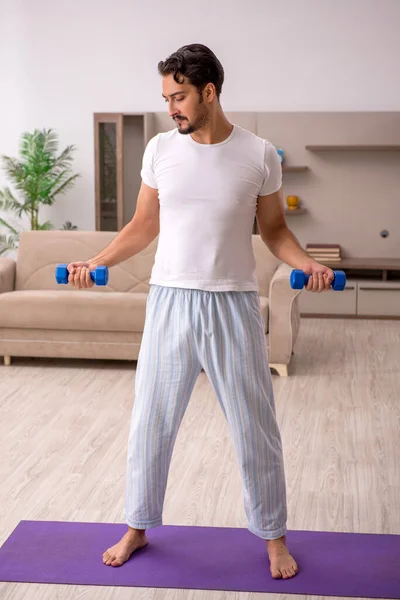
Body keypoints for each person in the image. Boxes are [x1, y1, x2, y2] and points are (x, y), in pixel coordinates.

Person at [68, 44, 334, 580]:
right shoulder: (161, 150)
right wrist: (95, 259)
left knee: (254, 425)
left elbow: (275, 231)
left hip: (232, 303)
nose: (173, 107)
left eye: (180, 96)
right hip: (169, 300)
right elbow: (144, 225)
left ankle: (273, 538)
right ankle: (138, 526)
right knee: (151, 422)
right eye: (167, 97)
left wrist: (310, 263)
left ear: (209, 91)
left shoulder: (260, 154)